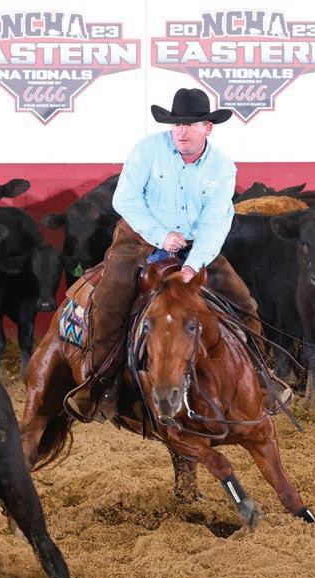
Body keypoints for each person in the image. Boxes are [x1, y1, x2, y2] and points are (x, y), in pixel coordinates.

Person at [66, 88, 265, 422]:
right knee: (111, 302)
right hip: (139, 238)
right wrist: (161, 235)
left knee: (244, 304)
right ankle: (98, 384)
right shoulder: (148, 150)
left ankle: (261, 378)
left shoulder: (222, 167)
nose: (182, 131)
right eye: (177, 124)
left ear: (207, 128)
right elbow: (125, 200)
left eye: (190, 124)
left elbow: (216, 222)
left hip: (196, 245)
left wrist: (193, 265)